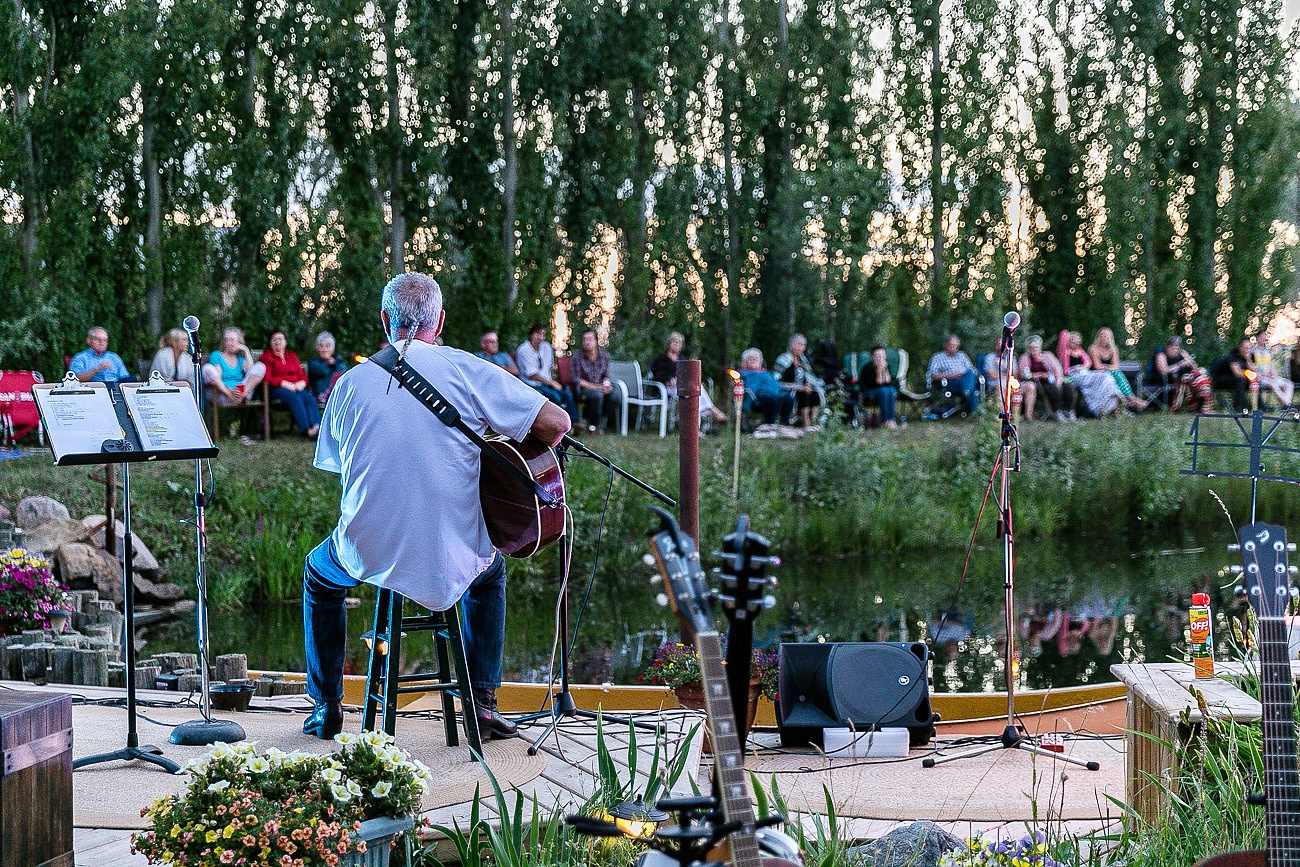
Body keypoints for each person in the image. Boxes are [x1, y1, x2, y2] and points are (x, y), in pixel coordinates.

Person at [301, 271, 571, 740]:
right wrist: (496, 440)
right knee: (491, 575)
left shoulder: (348, 384)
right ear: (440, 320)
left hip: (367, 551)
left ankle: (326, 706)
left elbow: (342, 468)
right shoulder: (468, 368)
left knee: (318, 576)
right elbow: (557, 422)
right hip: (452, 554)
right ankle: (483, 706)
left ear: (385, 320)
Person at [648, 332, 728, 425]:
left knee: (695, 389)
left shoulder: (683, 359)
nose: (676, 344)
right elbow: (657, 376)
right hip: (668, 387)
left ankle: (697, 423)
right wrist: (671, 380)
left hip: (683, 386)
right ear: (668, 343)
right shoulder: (661, 360)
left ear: (681, 345)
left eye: (678, 342)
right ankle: (710, 411)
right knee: (691, 393)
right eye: (674, 342)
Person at [1058, 330, 1141, 416]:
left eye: (1076, 341)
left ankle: (1116, 400)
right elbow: (1063, 335)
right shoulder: (1065, 352)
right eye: (1071, 341)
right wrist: (1075, 369)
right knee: (1099, 381)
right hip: (1074, 375)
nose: (1073, 343)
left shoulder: (1080, 351)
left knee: (1106, 376)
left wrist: (1083, 367)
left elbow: (1088, 362)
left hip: (1085, 372)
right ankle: (1120, 400)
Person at [259, 329, 321, 438]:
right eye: (274, 340)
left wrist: (302, 383)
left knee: (309, 397)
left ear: (285, 342)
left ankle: (316, 427)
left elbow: (302, 375)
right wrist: (284, 383)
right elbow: (267, 378)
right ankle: (306, 430)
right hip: (276, 389)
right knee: (294, 398)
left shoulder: (292, 356)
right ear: (270, 343)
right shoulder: (266, 357)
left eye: (280, 339)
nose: (277, 342)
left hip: (296, 387)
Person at [515, 323, 579, 423]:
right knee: (555, 397)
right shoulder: (523, 350)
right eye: (538, 334)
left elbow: (549, 368)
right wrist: (552, 383)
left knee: (567, 395)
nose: (540, 337)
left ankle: (573, 423)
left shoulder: (546, 347)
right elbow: (532, 375)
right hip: (531, 385)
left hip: (547, 383)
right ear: (531, 334)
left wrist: (552, 382)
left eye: (543, 334)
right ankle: (556, 423)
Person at [202, 327, 266, 406]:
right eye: (226, 340)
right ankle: (234, 397)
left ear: (239, 342)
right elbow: (218, 377)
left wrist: (246, 350)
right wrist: (229, 391)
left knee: (261, 366)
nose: (229, 343)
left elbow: (250, 372)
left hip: (242, 393)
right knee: (207, 368)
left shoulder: (240, 359)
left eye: (232, 340)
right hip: (222, 393)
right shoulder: (216, 355)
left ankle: (240, 397)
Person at [569, 329, 616, 434]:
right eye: (585, 339)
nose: (587, 342)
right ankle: (596, 426)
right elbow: (577, 380)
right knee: (597, 395)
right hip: (584, 388)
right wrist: (599, 387)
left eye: (590, 339)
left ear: (596, 341)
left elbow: (606, 375)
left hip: (600, 386)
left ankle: (597, 420)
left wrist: (606, 385)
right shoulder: (577, 356)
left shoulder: (604, 355)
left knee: (615, 396)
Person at [1146, 336, 1212, 411]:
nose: (1175, 349)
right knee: (1197, 378)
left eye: (1177, 346)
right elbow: (1163, 371)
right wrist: (1180, 364)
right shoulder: (1161, 354)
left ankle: (1201, 399)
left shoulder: (1182, 353)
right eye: (1172, 347)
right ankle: (1202, 403)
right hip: (1170, 381)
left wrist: (1190, 362)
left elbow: (1195, 367)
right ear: (1167, 347)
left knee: (1201, 374)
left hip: (1188, 379)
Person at [772, 334, 825, 428]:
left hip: (802, 388)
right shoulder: (783, 359)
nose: (802, 348)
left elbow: (810, 375)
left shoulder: (803, 360)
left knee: (814, 393)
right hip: (787, 389)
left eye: (803, 345)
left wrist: (809, 385)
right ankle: (805, 423)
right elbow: (776, 380)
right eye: (799, 344)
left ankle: (814, 422)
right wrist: (798, 387)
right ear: (791, 345)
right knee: (804, 394)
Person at [1019, 335, 1075, 421]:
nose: (1034, 351)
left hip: (1052, 379)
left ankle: (1070, 411)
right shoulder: (1025, 358)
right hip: (1038, 382)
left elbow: (1058, 370)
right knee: (1052, 389)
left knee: (1068, 387)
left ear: (1040, 348)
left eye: (1036, 348)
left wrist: (1058, 381)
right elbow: (1025, 374)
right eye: (1032, 348)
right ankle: (1057, 411)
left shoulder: (1048, 356)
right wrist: (1040, 375)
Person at [1087, 327, 1146, 408]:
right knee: (1116, 373)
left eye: (1107, 336)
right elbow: (1097, 366)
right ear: (1098, 337)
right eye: (1102, 335)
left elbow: (1116, 366)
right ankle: (1131, 398)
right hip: (1096, 374)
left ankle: (1127, 400)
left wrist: (1107, 367)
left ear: (1110, 338)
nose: (1104, 338)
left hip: (1109, 373)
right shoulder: (1093, 348)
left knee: (1116, 373)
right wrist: (1109, 367)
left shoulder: (1113, 348)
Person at [738, 348, 795, 425]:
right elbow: (749, 387)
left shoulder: (766, 373)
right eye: (750, 359)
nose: (753, 360)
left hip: (775, 393)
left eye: (756, 358)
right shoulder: (744, 373)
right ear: (745, 361)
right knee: (771, 399)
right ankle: (770, 424)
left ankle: (784, 423)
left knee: (788, 398)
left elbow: (776, 385)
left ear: (760, 361)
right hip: (756, 396)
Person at [925, 335, 978, 415]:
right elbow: (932, 375)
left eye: (956, 346)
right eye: (951, 346)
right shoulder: (938, 357)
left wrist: (964, 376)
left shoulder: (962, 355)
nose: (953, 348)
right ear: (945, 345)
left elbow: (973, 371)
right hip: (949, 383)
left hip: (964, 380)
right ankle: (973, 412)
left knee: (970, 373)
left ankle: (966, 392)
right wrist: (952, 376)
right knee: (972, 388)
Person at [983, 336, 1036, 412]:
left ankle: (1028, 415)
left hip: (1012, 384)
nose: (1001, 346)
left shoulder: (1011, 357)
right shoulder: (989, 358)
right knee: (1003, 384)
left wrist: (1004, 365)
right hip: (996, 385)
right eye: (999, 344)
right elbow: (993, 375)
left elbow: (1015, 374)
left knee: (1030, 386)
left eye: (1003, 344)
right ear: (995, 346)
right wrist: (1008, 374)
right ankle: (1002, 414)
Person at [857, 346, 900, 429]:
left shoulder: (887, 366)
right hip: (867, 391)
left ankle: (891, 419)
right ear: (873, 357)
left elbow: (888, 382)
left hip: (881, 390)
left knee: (891, 390)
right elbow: (878, 383)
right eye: (877, 356)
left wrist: (885, 369)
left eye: (882, 356)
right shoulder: (868, 368)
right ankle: (885, 420)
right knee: (884, 390)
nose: (880, 358)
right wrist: (880, 370)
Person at [1211, 337, 1255, 411]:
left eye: (1249, 348)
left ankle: (1258, 406)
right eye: (1245, 348)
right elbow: (1237, 373)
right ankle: (1238, 406)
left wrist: (1248, 360)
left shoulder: (1250, 356)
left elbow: (1254, 371)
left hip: (1239, 379)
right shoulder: (1233, 355)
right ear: (1240, 347)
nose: (1247, 350)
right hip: (1223, 378)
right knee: (1241, 380)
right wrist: (1250, 375)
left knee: (1255, 381)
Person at [1252, 329, 1293, 408]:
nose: (1264, 339)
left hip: (1269, 376)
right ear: (1257, 338)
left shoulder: (1267, 351)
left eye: (1265, 337)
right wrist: (1265, 375)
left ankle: (1286, 404)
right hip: (1260, 377)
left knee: (1289, 384)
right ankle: (1289, 405)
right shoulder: (1252, 351)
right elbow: (1252, 367)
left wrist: (1273, 373)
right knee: (1273, 384)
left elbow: (1270, 364)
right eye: (1262, 337)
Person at [148, 328, 197, 393]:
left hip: (183, 392)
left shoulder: (188, 358)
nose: (187, 344)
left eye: (187, 341)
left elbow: (191, 380)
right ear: (174, 342)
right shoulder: (162, 355)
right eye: (183, 340)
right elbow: (158, 378)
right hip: (162, 391)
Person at [307, 332, 348, 406]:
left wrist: (334, 363)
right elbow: (323, 371)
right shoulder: (313, 363)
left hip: (339, 395)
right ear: (317, 348)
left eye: (328, 346)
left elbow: (347, 375)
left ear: (333, 349)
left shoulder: (340, 363)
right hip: (322, 395)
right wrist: (331, 364)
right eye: (321, 346)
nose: (324, 349)